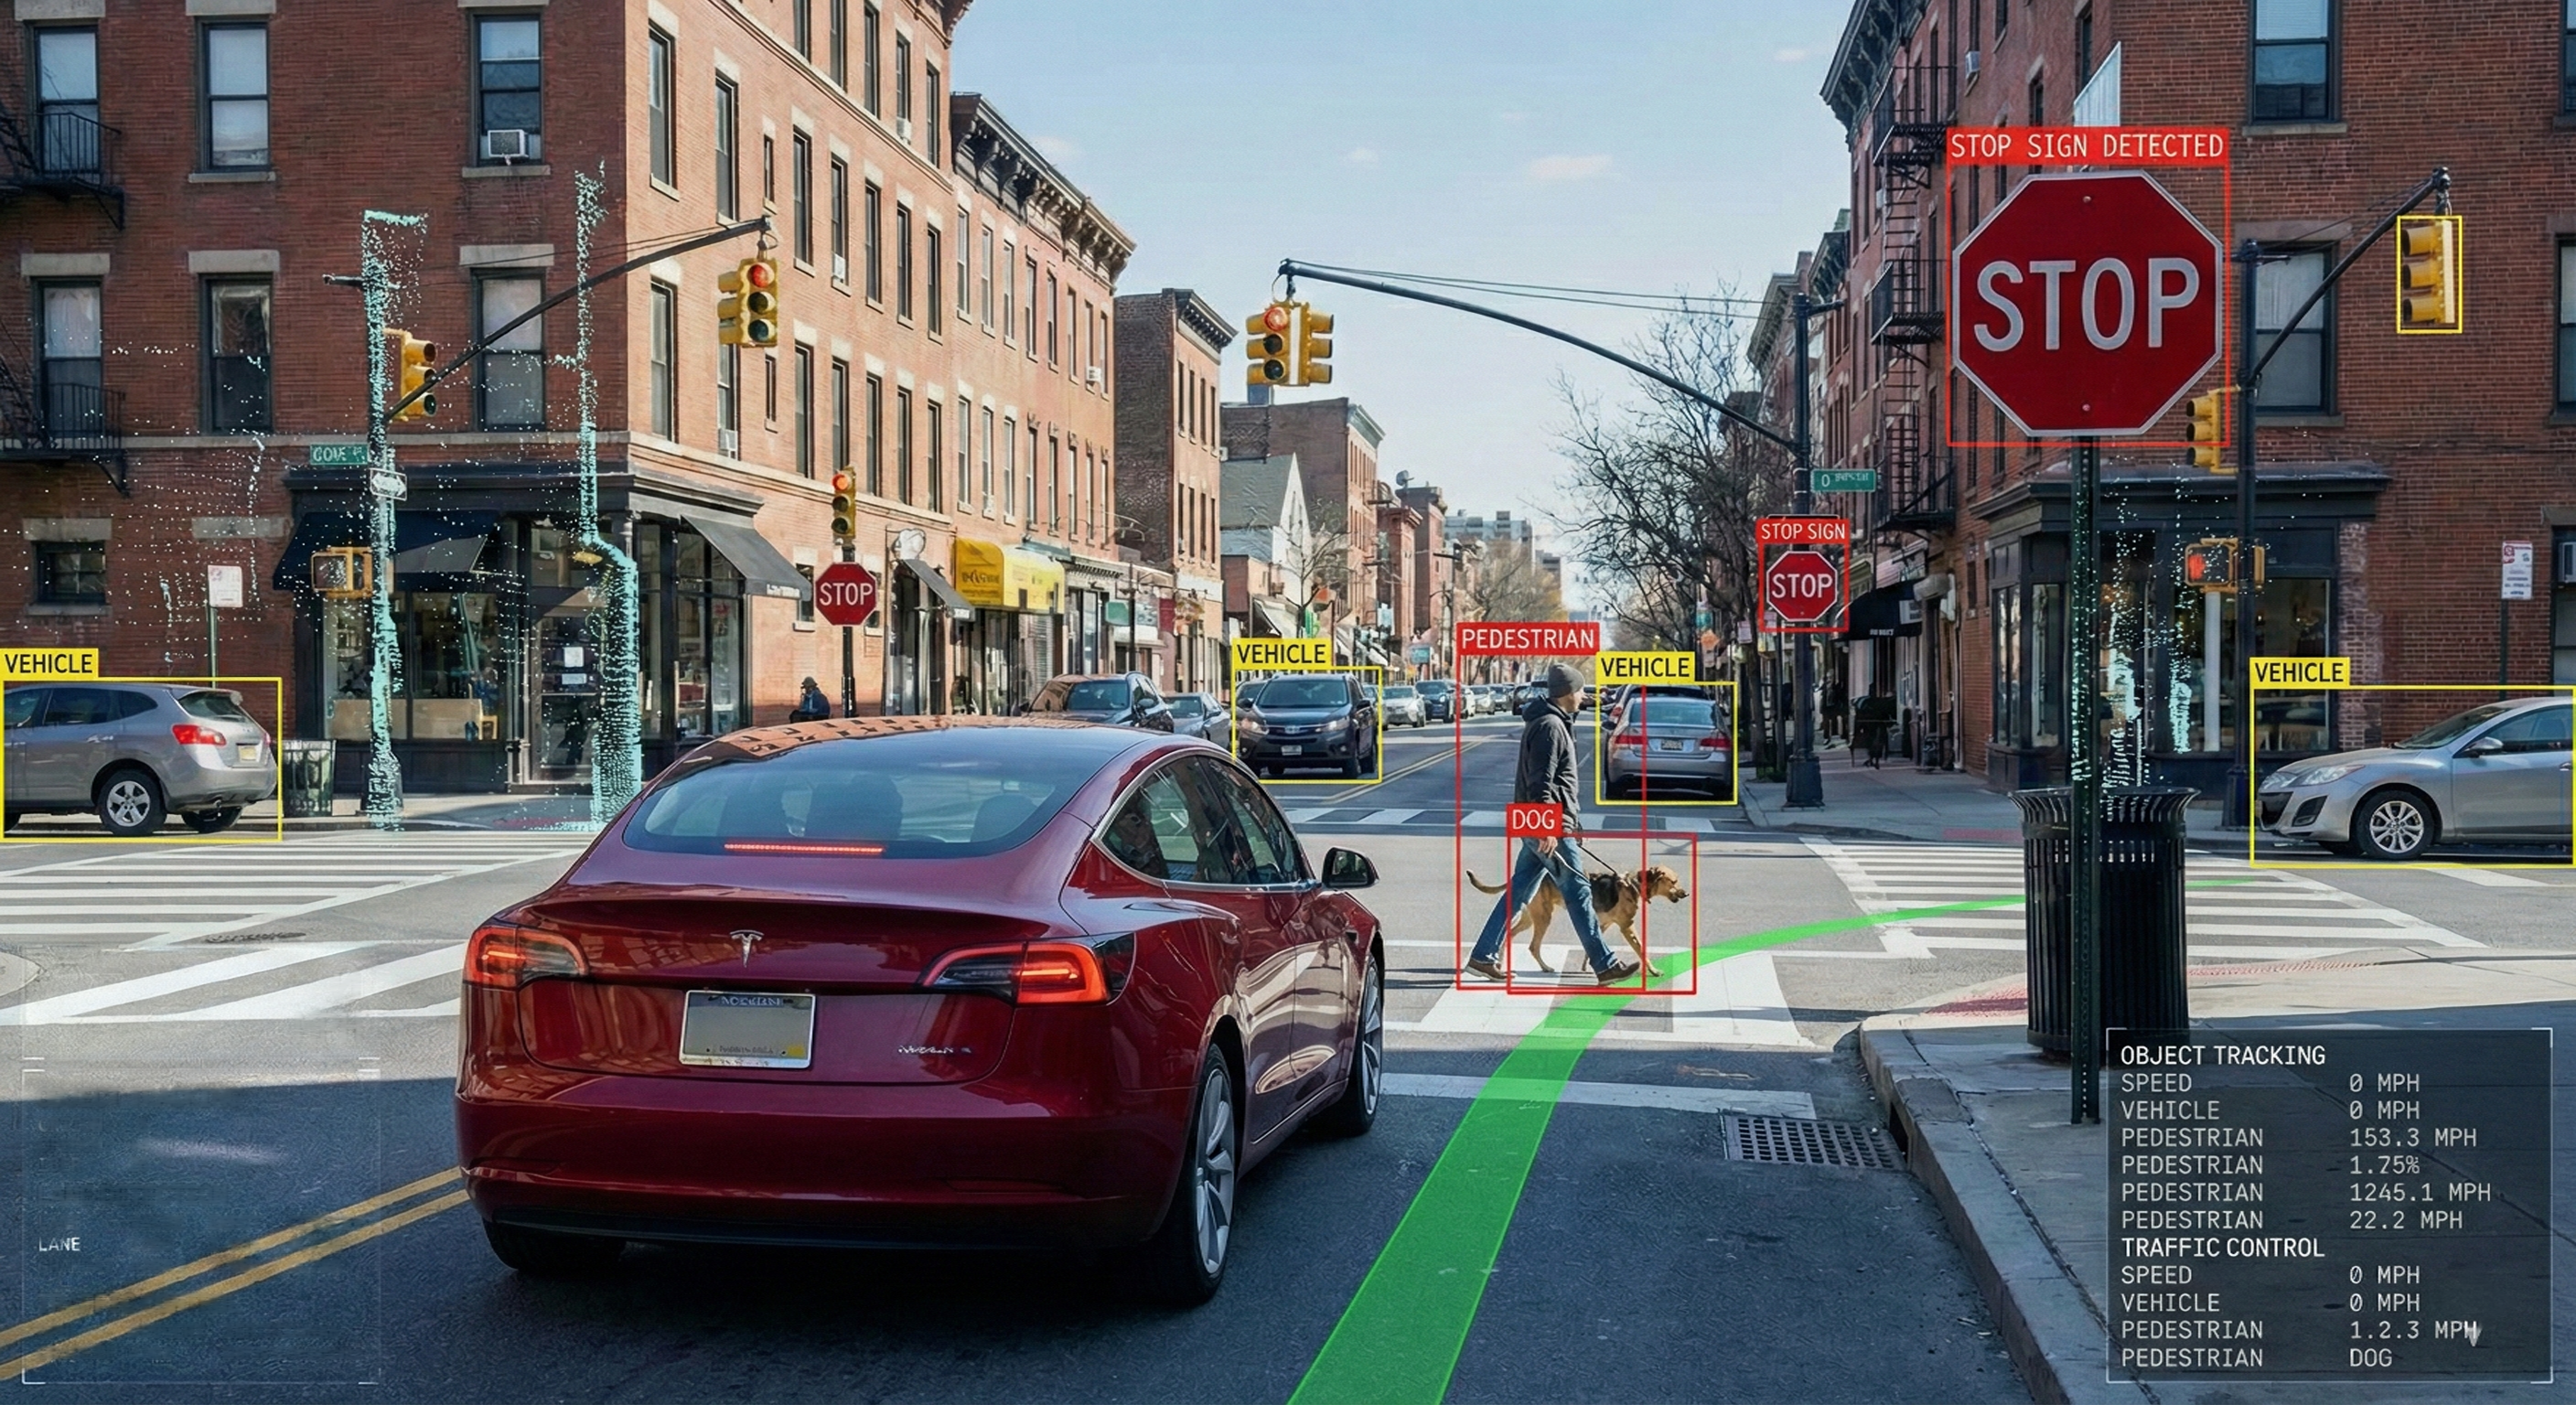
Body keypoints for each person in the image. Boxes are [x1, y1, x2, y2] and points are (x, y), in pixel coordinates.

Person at [1464, 663, 1640, 985]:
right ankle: (1605, 964)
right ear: (1566, 693)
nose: (1583, 695)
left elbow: (1558, 782)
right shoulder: (1549, 726)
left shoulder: (1553, 722)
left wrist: (1572, 821)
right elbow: (1540, 781)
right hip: (1547, 826)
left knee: (1519, 891)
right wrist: (1549, 826)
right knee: (1578, 892)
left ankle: (1483, 955)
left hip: (1545, 822)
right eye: (1579, 690)